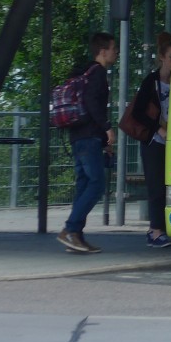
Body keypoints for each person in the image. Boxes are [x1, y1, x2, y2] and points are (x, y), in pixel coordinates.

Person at [58, 32, 117, 253]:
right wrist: (107, 128)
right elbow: (93, 103)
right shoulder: (98, 73)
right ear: (103, 51)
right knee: (96, 185)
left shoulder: (85, 71)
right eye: (114, 48)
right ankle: (70, 230)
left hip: (78, 136)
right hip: (89, 137)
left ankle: (76, 237)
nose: (116, 52)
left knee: (84, 186)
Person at [127, 32, 171, 248]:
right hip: (154, 141)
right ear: (162, 58)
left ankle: (168, 228)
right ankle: (155, 231)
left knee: (170, 184)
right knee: (156, 186)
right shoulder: (152, 82)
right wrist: (157, 129)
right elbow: (137, 112)